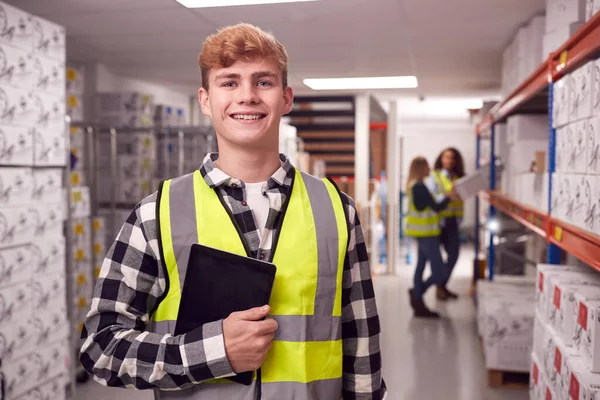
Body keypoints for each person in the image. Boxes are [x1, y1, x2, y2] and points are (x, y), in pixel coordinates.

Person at [79, 23, 386, 400]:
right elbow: (101, 347)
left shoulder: (337, 209)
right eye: (229, 82)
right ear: (206, 100)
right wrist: (214, 352)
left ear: (286, 98)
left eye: (263, 82)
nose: (247, 96)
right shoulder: (155, 214)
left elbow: (362, 350)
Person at [405, 156, 458, 318]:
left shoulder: (416, 186)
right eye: (427, 166)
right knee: (440, 272)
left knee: (420, 266)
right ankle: (417, 293)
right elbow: (435, 207)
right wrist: (450, 197)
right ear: (421, 168)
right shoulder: (419, 187)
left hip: (424, 234)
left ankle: (418, 302)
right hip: (427, 234)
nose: (430, 169)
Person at [426, 147, 466, 301]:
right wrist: (447, 195)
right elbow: (432, 198)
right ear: (441, 159)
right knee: (437, 259)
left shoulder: (459, 178)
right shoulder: (434, 176)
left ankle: (442, 285)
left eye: (453, 158)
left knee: (454, 255)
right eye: (447, 157)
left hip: (453, 222)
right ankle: (439, 287)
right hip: (438, 222)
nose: (450, 160)